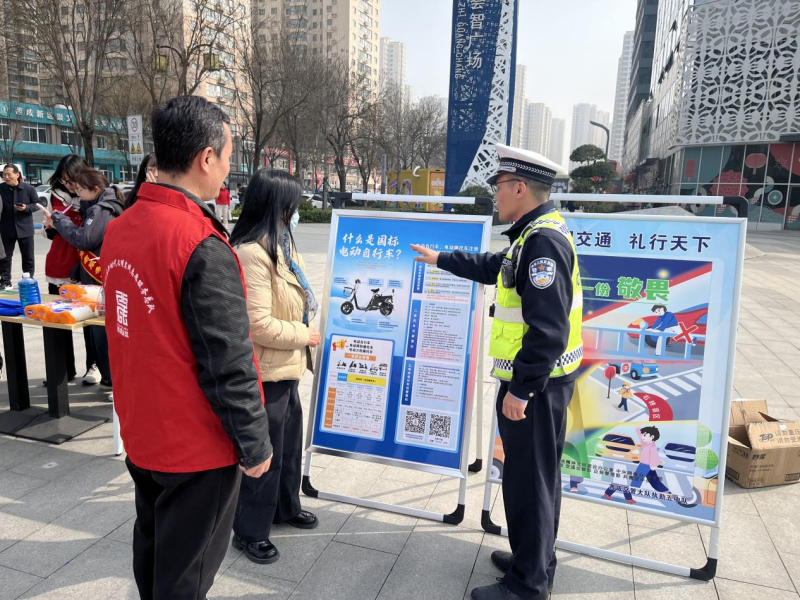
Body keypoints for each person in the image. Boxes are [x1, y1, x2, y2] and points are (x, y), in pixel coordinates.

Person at [101, 95, 273, 600]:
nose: (228, 170)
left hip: (142, 429)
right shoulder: (198, 242)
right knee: (186, 577)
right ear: (206, 157)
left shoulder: (121, 227)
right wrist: (255, 444)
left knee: (154, 551)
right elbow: (228, 360)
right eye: (227, 157)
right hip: (195, 447)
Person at [412, 145, 584, 600]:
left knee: (529, 481)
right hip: (542, 383)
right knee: (536, 477)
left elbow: (548, 331)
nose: (496, 196)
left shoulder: (542, 243)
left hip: (536, 387)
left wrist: (521, 391)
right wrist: (442, 259)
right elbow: (496, 268)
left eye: (500, 187)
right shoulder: (532, 235)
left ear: (520, 188)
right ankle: (534, 559)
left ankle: (527, 584)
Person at [229, 169, 320, 564]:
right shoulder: (251, 253)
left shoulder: (282, 245)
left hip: (288, 368)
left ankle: (285, 507)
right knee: (263, 455)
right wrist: (304, 335)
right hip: (265, 373)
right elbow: (257, 324)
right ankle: (249, 531)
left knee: (287, 448)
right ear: (277, 206)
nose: (297, 212)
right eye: (293, 205)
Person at [41, 169, 124, 390]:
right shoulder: (104, 206)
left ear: (95, 189)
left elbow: (84, 240)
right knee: (101, 332)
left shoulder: (101, 209)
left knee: (101, 334)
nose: (77, 193)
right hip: (102, 277)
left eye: (79, 189)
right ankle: (110, 380)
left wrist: (59, 219)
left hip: (100, 281)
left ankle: (112, 382)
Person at [42, 155, 99, 385]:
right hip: (58, 262)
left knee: (89, 320)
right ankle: (64, 369)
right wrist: (50, 227)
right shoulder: (55, 195)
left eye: (71, 180)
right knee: (57, 318)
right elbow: (49, 233)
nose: (68, 185)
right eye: (64, 180)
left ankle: (94, 365)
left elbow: (91, 235)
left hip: (83, 264)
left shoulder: (92, 197)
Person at [0, 164, 43, 290]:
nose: (6, 177)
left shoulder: (28, 189)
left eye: (9, 174)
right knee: (5, 257)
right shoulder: (1, 188)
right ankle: (5, 281)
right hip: (6, 228)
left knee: (28, 257)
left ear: (17, 174)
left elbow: (37, 205)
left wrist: (26, 208)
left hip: (25, 228)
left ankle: (28, 281)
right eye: (4, 174)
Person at [604, 426, 671, 504]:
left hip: (647, 467)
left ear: (652, 437)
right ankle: (611, 492)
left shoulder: (651, 446)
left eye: (645, 435)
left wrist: (655, 464)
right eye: (643, 435)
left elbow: (653, 457)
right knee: (636, 484)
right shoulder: (646, 444)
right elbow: (653, 457)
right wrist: (638, 429)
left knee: (654, 481)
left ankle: (667, 492)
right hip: (644, 466)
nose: (643, 437)